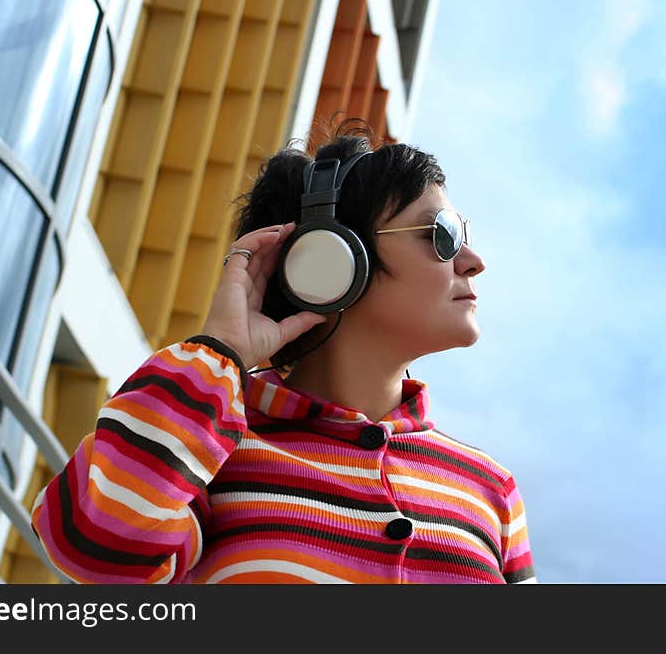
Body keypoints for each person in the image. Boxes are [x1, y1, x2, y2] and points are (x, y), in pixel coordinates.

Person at [30, 122, 537, 584]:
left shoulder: (492, 490)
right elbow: (92, 543)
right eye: (441, 235)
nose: (474, 262)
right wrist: (220, 350)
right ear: (331, 262)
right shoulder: (208, 453)